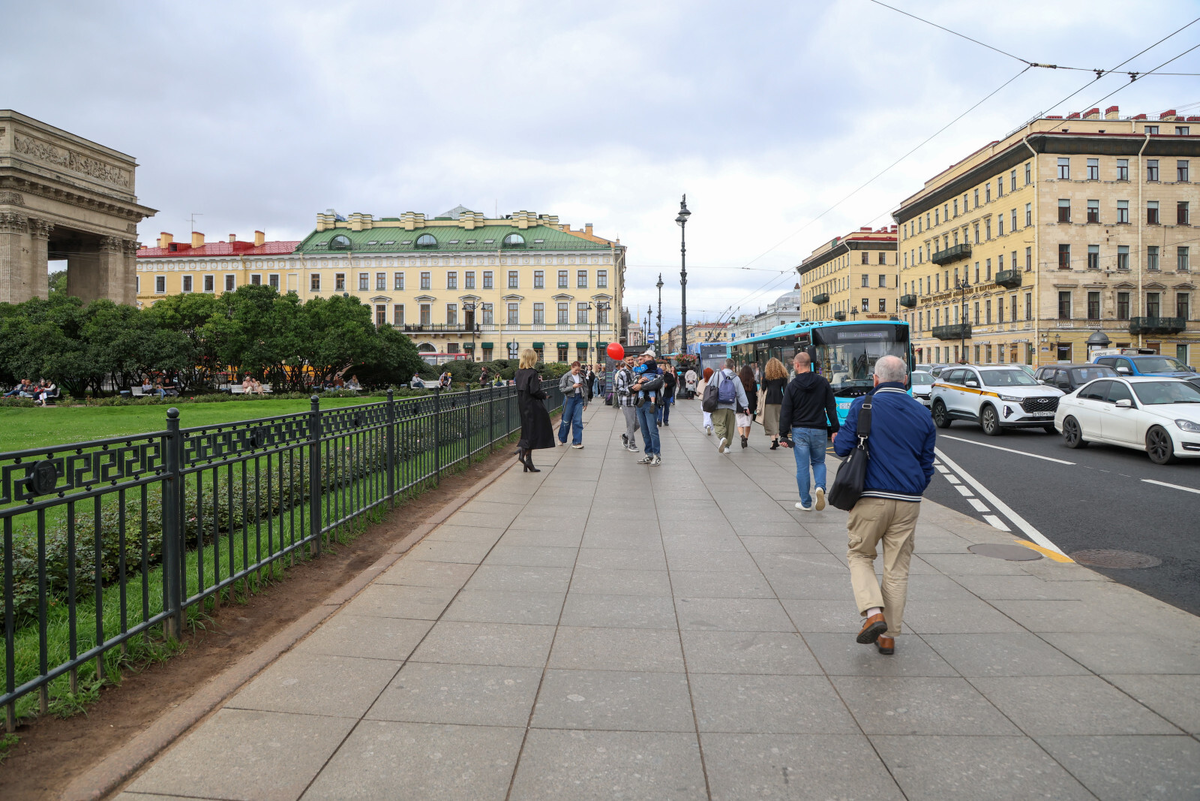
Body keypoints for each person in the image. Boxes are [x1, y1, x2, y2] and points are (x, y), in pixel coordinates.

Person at [834, 355, 936, 657]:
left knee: (860, 555)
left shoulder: (863, 405)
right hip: (908, 501)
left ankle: (873, 613)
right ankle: (888, 637)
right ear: (905, 380)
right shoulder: (922, 413)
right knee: (897, 568)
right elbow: (927, 464)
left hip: (870, 496)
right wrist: (915, 488)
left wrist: (840, 437)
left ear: (876, 379)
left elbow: (842, 448)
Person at [780, 352, 839, 511]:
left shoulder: (792, 386)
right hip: (819, 429)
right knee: (819, 462)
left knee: (802, 467)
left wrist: (783, 434)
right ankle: (820, 487)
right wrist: (835, 429)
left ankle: (805, 503)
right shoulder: (822, 382)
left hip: (799, 431)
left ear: (797, 365)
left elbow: (786, 411)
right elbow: (831, 406)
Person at [515, 349, 555, 472]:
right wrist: (544, 395)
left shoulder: (518, 372)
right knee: (537, 429)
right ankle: (523, 452)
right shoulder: (532, 372)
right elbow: (534, 390)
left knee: (528, 430)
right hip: (533, 405)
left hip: (523, 405)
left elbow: (525, 387)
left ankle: (528, 460)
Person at [631, 351, 664, 465]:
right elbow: (632, 386)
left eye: (644, 358)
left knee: (652, 430)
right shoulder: (640, 372)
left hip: (650, 403)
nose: (641, 360)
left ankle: (657, 455)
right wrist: (638, 382)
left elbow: (656, 384)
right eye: (641, 359)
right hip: (640, 404)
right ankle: (648, 454)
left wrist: (641, 386)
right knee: (644, 431)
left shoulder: (657, 371)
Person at [711, 359, 749, 454]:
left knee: (718, 423)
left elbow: (709, 387)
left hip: (719, 405)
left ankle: (722, 437)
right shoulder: (736, 378)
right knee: (729, 427)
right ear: (733, 367)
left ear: (724, 366)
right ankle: (727, 447)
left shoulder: (716, 375)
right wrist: (745, 406)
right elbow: (741, 393)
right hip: (731, 406)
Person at [613, 356, 641, 452]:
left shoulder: (635, 372)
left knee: (638, 424)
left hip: (636, 401)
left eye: (632, 359)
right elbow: (619, 389)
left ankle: (625, 436)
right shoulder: (622, 373)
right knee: (631, 424)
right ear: (624, 361)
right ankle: (631, 444)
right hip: (626, 401)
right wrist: (631, 390)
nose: (631, 361)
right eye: (629, 360)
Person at [761, 357, 789, 450]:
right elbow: (785, 389)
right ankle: (777, 438)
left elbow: (763, 387)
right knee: (778, 420)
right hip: (780, 399)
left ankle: (773, 441)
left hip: (769, 399)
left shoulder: (766, 374)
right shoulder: (783, 374)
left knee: (770, 421)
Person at [557, 361, 586, 449]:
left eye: (578, 370)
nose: (577, 372)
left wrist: (585, 402)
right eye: (576, 370)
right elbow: (562, 389)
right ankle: (562, 438)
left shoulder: (581, 376)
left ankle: (577, 442)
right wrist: (572, 387)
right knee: (566, 420)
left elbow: (585, 389)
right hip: (569, 399)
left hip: (579, 398)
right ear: (572, 368)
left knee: (577, 420)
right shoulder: (566, 376)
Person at [736, 364, 757, 449]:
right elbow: (755, 394)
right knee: (748, 423)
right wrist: (755, 405)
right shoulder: (753, 382)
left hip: (739, 404)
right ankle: (746, 438)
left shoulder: (738, 381)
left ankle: (742, 436)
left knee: (739, 423)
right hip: (750, 404)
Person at [696, 367, 715, 435]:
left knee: (705, 414)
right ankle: (710, 425)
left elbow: (698, 391)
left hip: (704, 400)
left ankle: (707, 425)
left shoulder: (701, 381)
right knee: (711, 414)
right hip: (712, 400)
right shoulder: (714, 382)